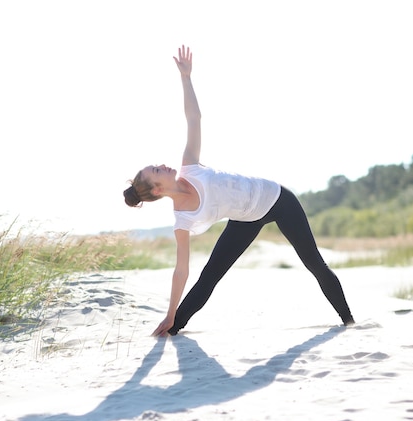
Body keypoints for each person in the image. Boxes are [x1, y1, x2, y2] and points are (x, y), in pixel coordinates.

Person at [124, 45, 355, 337]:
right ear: (157, 190)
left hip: (276, 199)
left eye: (156, 165)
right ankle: (171, 329)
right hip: (246, 219)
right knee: (209, 276)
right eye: (156, 171)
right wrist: (170, 313)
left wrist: (186, 78)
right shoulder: (182, 219)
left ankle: (348, 321)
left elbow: (194, 118)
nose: (162, 165)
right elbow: (181, 271)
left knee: (313, 262)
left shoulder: (189, 167)